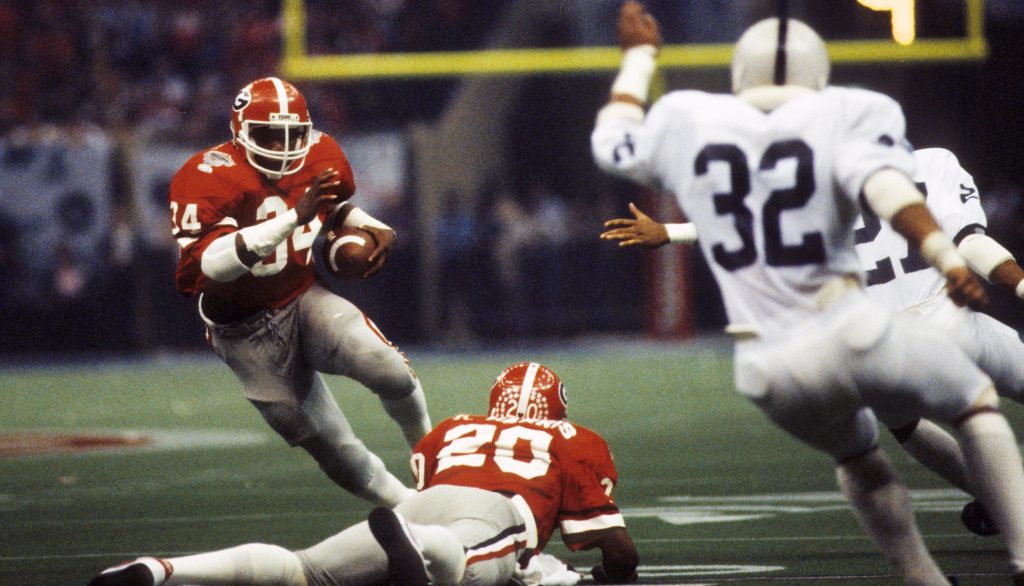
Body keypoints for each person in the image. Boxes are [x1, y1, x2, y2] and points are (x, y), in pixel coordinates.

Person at [591, 2, 1024, 584]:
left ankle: (922, 575)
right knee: (974, 404)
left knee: (862, 456)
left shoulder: (692, 124)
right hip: (856, 327)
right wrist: (946, 257)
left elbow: (614, 141)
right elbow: (891, 190)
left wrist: (639, 55)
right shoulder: (849, 123)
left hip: (769, 366)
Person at [601, 147, 1024, 537]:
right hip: (952, 324)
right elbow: (972, 244)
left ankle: (998, 500)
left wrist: (669, 232)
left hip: (887, 345)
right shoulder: (932, 162)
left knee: (901, 421)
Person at [87, 362, 640, 586]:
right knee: (465, 568)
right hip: (486, 516)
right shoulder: (575, 441)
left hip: (424, 504)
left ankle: (162, 569)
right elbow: (618, 552)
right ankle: (422, 545)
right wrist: (607, 577)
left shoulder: (452, 428)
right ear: (559, 411)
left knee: (305, 571)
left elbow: (433, 482)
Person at [168, 77, 431, 508]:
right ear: (241, 131)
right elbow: (211, 265)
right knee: (337, 452)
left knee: (388, 368)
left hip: (302, 296)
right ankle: (413, 511)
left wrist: (369, 227)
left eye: (294, 133)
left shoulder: (322, 153)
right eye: (271, 134)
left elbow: (334, 208)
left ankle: (433, 462)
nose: (285, 146)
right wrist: (294, 218)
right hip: (243, 331)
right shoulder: (207, 174)